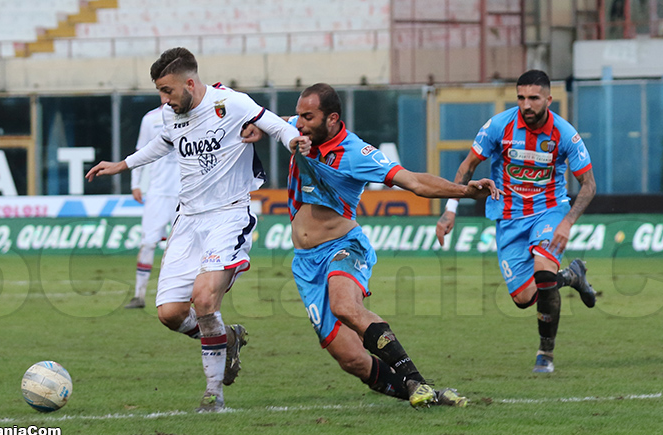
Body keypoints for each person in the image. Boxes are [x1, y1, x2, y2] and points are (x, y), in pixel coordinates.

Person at [85, 47, 310, 412]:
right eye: (160, 91)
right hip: (187, 221)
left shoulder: (231, 103)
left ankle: (213, 393)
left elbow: (275, 125)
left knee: (204, 300)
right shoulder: (171, 114)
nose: (164, 99)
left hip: (228, 215)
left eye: (168, 90)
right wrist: (122, 165)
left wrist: (293, 141)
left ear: (190, 83)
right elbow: (163, 142)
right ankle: (228, 338)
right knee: (170, 314)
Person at [250, 83, 500, 408]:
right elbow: (278, 122)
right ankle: (427, 394)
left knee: (344, 306)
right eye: (299, 116)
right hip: (305, 262)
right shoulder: (299, 130)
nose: (300, 123)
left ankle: (418, 381)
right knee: (351, 359)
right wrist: (259, 126)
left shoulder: (355, 153)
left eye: (308, 117)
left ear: (332, 119)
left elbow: (413, 181)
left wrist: (464, 192)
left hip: (343, 247)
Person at [434, 69, 598, 374]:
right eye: (521, 97)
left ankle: (545, 353)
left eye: (534, 98)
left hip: (549, 211)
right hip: (509, 217)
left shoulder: (564, 134)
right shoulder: (499, 126)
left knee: (544, 275)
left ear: (548, 99)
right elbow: (468, 166)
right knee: (523, 298)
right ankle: (572, 276)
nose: (526, 104)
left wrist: (567, 222)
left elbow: (588, 185)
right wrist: (451, 208)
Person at [124, 106, 179, 309]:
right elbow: (140, 151)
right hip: (157, 192)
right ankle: (139, 295)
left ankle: (182, 297)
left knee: (184, 247)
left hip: (185, 194)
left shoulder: (193, 113)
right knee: (148, 243)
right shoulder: (150, 119)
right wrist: (135, 183)